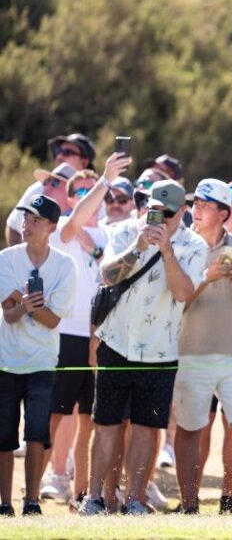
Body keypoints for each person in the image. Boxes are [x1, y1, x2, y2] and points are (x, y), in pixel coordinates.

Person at [79, 180, 207, 516]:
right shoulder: (125, 232)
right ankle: (93, 498)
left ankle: (134, 498)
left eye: (166, 213)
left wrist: (167, 252)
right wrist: (137, 247)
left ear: (182, 211)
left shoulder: (194, 244)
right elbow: (107, 276)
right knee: (106, 424)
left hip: (161, 351)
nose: (158, 218)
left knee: (146, 429)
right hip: (116, 342)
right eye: (154, 209)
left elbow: (183, 293)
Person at [41, 154, 132, 508]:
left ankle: (82, 493)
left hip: (101, 338)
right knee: (54, 414)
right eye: (79, 190)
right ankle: (39, 483)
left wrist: (93, 244)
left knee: (90, 421)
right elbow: (76, 220)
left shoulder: (111, 233)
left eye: (91, 190)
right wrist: (105, 179)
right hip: (65, 336)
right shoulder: (64, 226)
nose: (87, 196)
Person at [173, 179, 232, 514]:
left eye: (204, 205)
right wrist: (207, 277)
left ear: (223, 213)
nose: (195, 210)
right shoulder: (179, 246)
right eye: (194, 204)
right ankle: (188, 506)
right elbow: (176, 301)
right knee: (189, 430)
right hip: (191, 355)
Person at [0, 196, 76, 516]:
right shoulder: (6, 258)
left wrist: (26, 303)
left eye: (35, 220)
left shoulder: (64, 265)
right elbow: (9, 313)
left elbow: (54, 319)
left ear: (51, 228)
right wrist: (28, 305)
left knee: (36, 432)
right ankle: (4, 503)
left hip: (43, 361)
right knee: (4, 436)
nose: (26, 225)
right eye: (25, 218)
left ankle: (31, 502)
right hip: (6, 360)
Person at [6, 133, 96, 246]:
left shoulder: (97, 197)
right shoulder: (39, 188)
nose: (59, 156)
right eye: (58, 151)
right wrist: (21, 260)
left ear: (84, 162)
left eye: (67, 152)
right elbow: (14, 226)